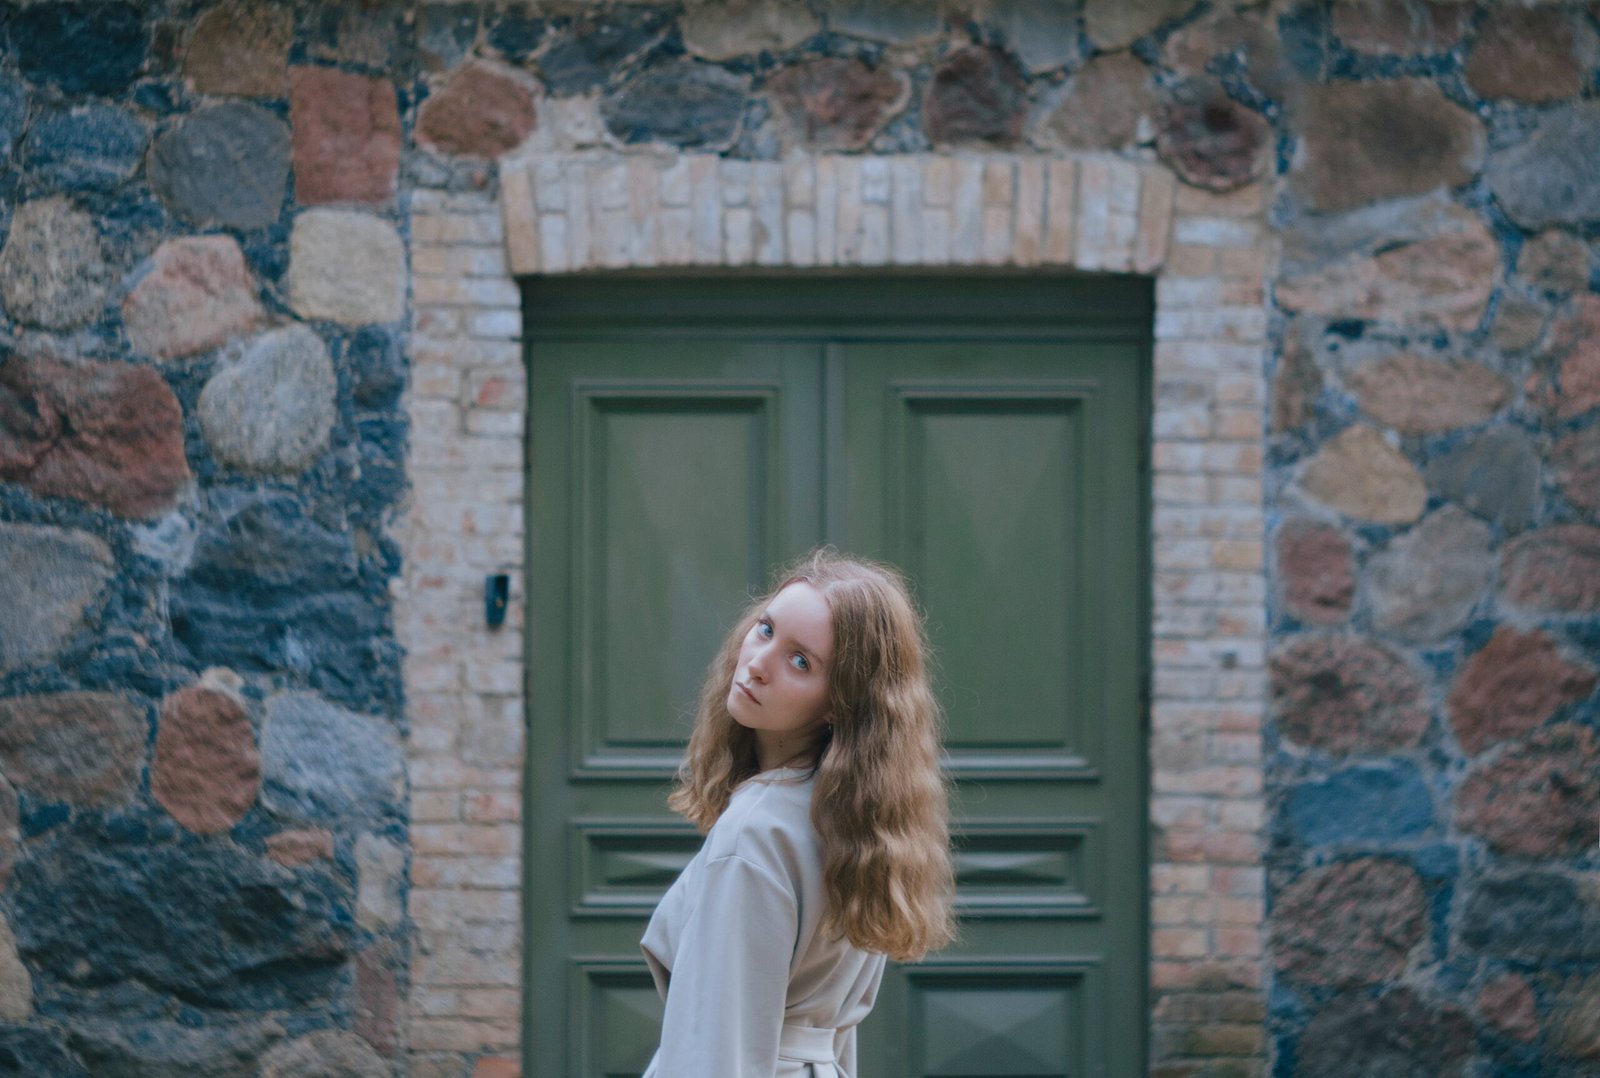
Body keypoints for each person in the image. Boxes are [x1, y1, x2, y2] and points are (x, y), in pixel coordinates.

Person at [640, 548, 957, 1077]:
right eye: (765, 630)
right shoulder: (857, 818)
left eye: (800, 660)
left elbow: (714, 1057)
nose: (758, 664)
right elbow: (829, 1041)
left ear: (840, 702)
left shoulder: (756, 833)